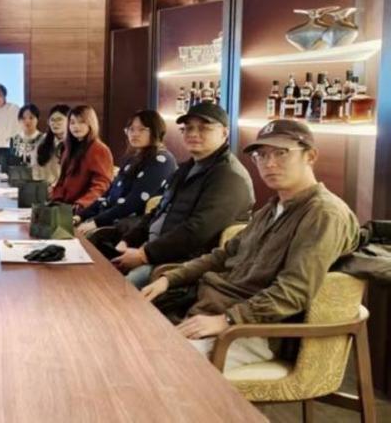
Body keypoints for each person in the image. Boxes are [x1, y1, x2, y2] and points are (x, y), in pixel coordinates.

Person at [142, 119, 360, 371]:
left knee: (156, 366)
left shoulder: (324, 214)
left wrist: (227, 320)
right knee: (131, 339)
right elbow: (223, 255)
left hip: (254, 331)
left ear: (310, 156)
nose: (269, 163)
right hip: (211, 307)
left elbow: (293, 291)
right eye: (261, 155)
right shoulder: (272, 208)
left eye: (281, 153)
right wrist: (169, 279)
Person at [106, 103, 253, 289]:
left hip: (183, 266)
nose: (193, 134)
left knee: (114, 290)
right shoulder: (187, 167)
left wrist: (144, 255)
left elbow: (197, 231)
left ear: (224, 133)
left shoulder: (230, 176)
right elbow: (158, 212)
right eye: (188, 128)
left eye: (203, 128)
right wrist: (127, 241)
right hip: (154, 251)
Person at [76, 110, 177, 235]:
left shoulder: (162, 160)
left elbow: (134, 203)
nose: (134, 134)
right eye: (131, 129)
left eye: (142, 129)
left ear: (156, 130)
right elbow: (108, 194)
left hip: (130, 227)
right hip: (109, 218)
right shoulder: (133, 158)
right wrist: (81, 216)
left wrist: (95, 222)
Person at [49, 105, 114, 210]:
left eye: (81, 122)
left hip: (85, 209)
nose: (76, 126)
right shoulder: (69, 148)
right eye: (72, 122)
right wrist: (57, 199)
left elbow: (101, 184)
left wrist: (82, 204)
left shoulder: (99, 149)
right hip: (65, 206)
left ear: (90, 123)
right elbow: (62, 179)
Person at [33, 103, 70, 184]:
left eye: (59, 119)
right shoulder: (42, 141)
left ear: (70, 121)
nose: (55, 123)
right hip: (43, 187)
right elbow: (35, 168)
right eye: (52, 120)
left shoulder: (75, 143)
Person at [9, 104, 45, 172]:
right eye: (23, 118)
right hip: (18, 176)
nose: (27, 121)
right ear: (19, 120)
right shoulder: (13, 140)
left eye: (31, 118)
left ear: (37, 119)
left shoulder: (44, 139)